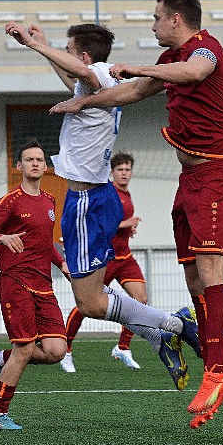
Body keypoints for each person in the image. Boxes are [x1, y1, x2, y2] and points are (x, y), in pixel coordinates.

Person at [49, 0, 223, 428]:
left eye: (156, 19)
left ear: (177, 19)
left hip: (218, 175)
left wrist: (134, 65)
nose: (152, 26)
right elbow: (132, 92)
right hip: (191, 180)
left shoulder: (206, 50)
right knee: (194, 276)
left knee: (212, 272)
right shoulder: (166, 63)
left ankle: (216, 371)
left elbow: (193, 73)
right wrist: (82, 101)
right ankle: (191, 341)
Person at [5, 20, 200, 399]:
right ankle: (159, 337)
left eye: (68, 48)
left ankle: (176, 325)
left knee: (91, 302)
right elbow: (74, 77)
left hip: (85, 203)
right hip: (100, 198)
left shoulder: (94, 76)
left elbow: (80, 73)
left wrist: (33, 44)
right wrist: (42, 47)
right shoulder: (100, 83)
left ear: (84, 56)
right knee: (95, 295)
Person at [0, 140, 70, 430]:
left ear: (45, 166)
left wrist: (63, 265)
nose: (34, 163)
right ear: (19, 166)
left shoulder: (49, 200)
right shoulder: (11, 201)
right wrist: (2, 238)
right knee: (26, 349)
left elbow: (44, 242)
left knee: (56, 351)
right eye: (29, 159)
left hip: (43, 284)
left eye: (39, 160)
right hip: (15, 282)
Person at [61, 152, 148, 373]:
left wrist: (129, 228)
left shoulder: (127, 195)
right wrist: (124, 223)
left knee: (140, 299)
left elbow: (119, 224)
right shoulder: (108, 193)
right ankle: (66, 350)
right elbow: (99, 223)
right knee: (85, 305)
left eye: (127, 169)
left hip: (125, 258)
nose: (124, 173)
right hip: (104, 258)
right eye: (120, 169)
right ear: (112, 172)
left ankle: (123, 347)